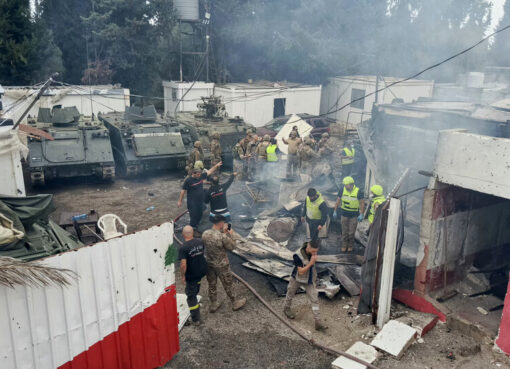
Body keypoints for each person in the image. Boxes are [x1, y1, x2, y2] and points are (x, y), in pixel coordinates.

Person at [202, 215, 247, 312]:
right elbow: (232, 247)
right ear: (221, 223)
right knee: (228, 284)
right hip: (222, 265)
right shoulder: (222, 237)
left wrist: (223, 233)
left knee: (212, 284)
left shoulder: (205, 234)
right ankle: (235, 302)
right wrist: (231, 235)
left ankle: (214, 304)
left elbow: (212, 240)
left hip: (209, 263)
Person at [283, 239, 328, 331]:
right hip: (297, 278)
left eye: (316, 251)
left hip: (309, 280)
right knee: (290, 293)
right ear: (308, 247)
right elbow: (301, 271)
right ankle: (286, 308)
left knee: (314, 299)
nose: (315, 253)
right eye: (313, 251)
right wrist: (311, 263)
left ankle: (318, 322)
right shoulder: (297, 256)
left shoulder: (312, 251)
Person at [178, 161, 222, 231]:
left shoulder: (200, 176)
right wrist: (179, 201)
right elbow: (183, 191)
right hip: (192, 203)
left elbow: (209, 171)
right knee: (193, 217)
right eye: (198, 174)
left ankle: (196, 226)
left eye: (200, 174)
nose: (199, 176)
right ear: (193, 174)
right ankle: (192, 229)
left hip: (200, 201)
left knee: (199, 214)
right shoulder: (188, 181)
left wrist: (216, 165)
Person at [179, 225, 208, 326]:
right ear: (193, 233)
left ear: (183, 235)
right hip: (201, 271)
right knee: (196, 285)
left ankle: (196, 319)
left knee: (190, 296)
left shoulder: (183, 248)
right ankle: (196, 292)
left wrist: (183, 276)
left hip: (192, 275)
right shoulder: (200, 241)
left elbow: (183, 265)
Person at [332, 176, 365, 252]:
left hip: (354, 215)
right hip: (344, 214)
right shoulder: (342, 190)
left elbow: (362, 203)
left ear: (351, 184)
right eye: (344, 184)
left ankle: (350, 245)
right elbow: (338, 201)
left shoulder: (358, 191)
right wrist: (335, 211)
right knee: (344, 231)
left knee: (351, 232)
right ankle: (344, 245)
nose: (345, 186)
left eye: (346, 184)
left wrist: (362, 213)